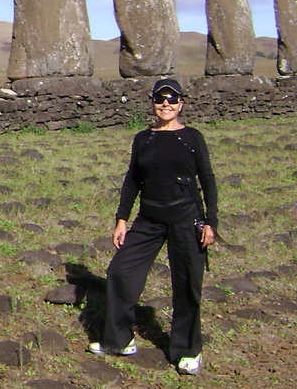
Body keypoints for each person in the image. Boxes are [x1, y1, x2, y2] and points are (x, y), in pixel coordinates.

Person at [90, 78, 218, 376]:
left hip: (186, 218)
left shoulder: (192, 138)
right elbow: (132, 180)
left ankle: (188, 350)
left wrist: (211, 222)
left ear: (181, 103)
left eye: (172, 99)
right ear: (153, 104)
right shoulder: (143, 139)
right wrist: (122, 219)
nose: (166, 104)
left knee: (186, 285)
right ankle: (119, 339)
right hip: (149, 218)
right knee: (120, 271)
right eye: (160, 99)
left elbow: (208, 181)